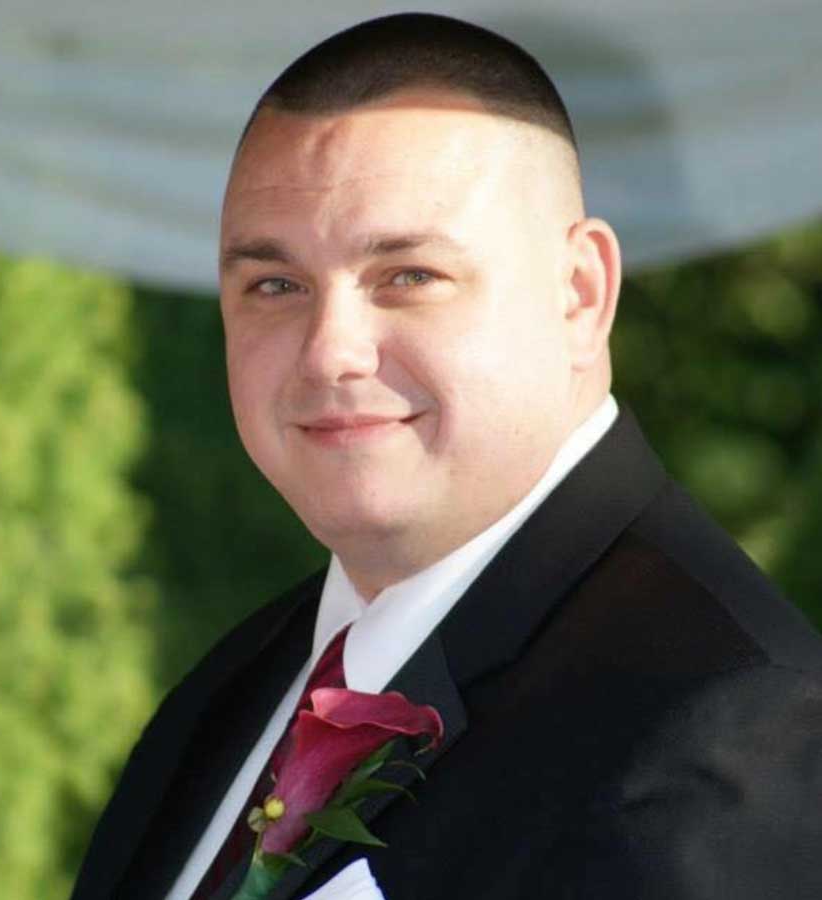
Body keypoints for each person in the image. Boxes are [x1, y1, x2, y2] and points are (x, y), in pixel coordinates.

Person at [71, 13, 822, 900]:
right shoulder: (231, 690)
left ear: (580, 295)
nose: (329, 351)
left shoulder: (724, 743)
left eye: (408, 276)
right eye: (276, 284)